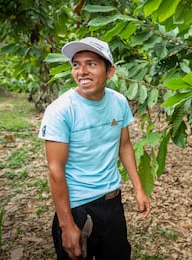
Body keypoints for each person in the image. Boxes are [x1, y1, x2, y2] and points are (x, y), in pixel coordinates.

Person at [38, 37, 150, 259]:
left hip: (112, 203)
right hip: (79, 208)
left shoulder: (118, 102)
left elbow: (124, 145)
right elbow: (55, 170)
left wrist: (138, 189)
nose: (82, 71)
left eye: (91, 64)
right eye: (76, 64)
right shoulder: (60, 110)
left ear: (109, 71)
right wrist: (66, 225)